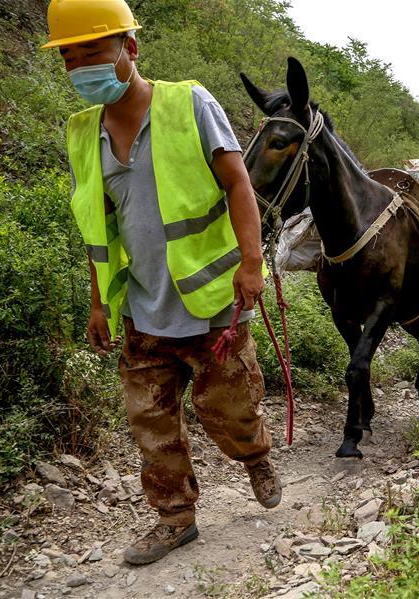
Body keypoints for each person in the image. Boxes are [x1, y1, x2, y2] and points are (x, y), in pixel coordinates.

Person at [42, 0, 281, 565]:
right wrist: (99, 305)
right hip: (141, 309)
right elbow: (98, 229)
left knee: (230, 408)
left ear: (130, 47)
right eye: (69, 58)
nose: (81, 67)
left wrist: (251, 264)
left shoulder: (188, 103)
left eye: (92, 52)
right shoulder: (83, 133)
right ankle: (175, 519)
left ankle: (254, 456)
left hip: (211, 301)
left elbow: (238, 184)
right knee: (151, 424)